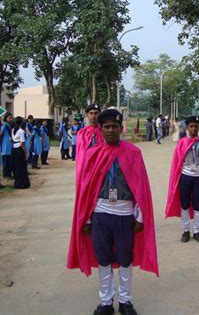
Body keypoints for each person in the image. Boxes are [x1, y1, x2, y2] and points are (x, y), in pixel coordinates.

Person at [67, 109, 158, 315]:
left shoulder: (134, 153)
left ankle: (125, 301)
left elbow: (141, 188)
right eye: (106, 127)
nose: (110, 131)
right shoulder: (92, 154)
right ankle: (105, 302)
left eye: (114, 127)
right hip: (100, 213)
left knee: (126, 259)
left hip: (125, 214)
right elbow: (87, 191)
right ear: (100, 129)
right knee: (104, 260)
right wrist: (87, 218)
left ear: (120, 128)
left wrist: (140, 216)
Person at [165, 116, 199, 244]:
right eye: (191, 126)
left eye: (196, 126)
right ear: (187, 128)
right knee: (185, 204)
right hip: (185, 177)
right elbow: (177, 162)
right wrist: (178, 179)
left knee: (198, 204)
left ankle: (197, 231)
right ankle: (186, 231)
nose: (194, 128)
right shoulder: (182, 142)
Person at [11, 117, 30, 189]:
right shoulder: (21, 131)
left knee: (16, 166)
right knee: (21, 167)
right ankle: (22, 183)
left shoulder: (13, 130)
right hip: (19, 149)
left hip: (14, 148)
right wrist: (25, 153)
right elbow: (22, 143)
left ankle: (17, 183)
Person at [0, 112, 14, 178]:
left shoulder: (9, 125)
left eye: (11, 118)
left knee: (9, 160)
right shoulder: (5, 125)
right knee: (5, 160)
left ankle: (9, 173)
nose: (11, 119)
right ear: (6, 118)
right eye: (9, 118)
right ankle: (5, 174)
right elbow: (1, 133)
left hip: (9, 144)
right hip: (5, 144)